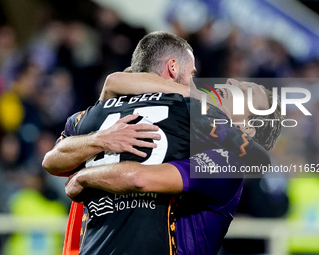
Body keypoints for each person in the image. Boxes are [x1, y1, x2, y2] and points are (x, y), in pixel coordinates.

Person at [43, 32, 282, 254]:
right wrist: (99, 139)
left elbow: (138, 178)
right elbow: (117, 82)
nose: (232, 83)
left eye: (245, 92)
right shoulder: (184, 119)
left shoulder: (225, 162)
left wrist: (83, 176)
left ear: (248, 128)